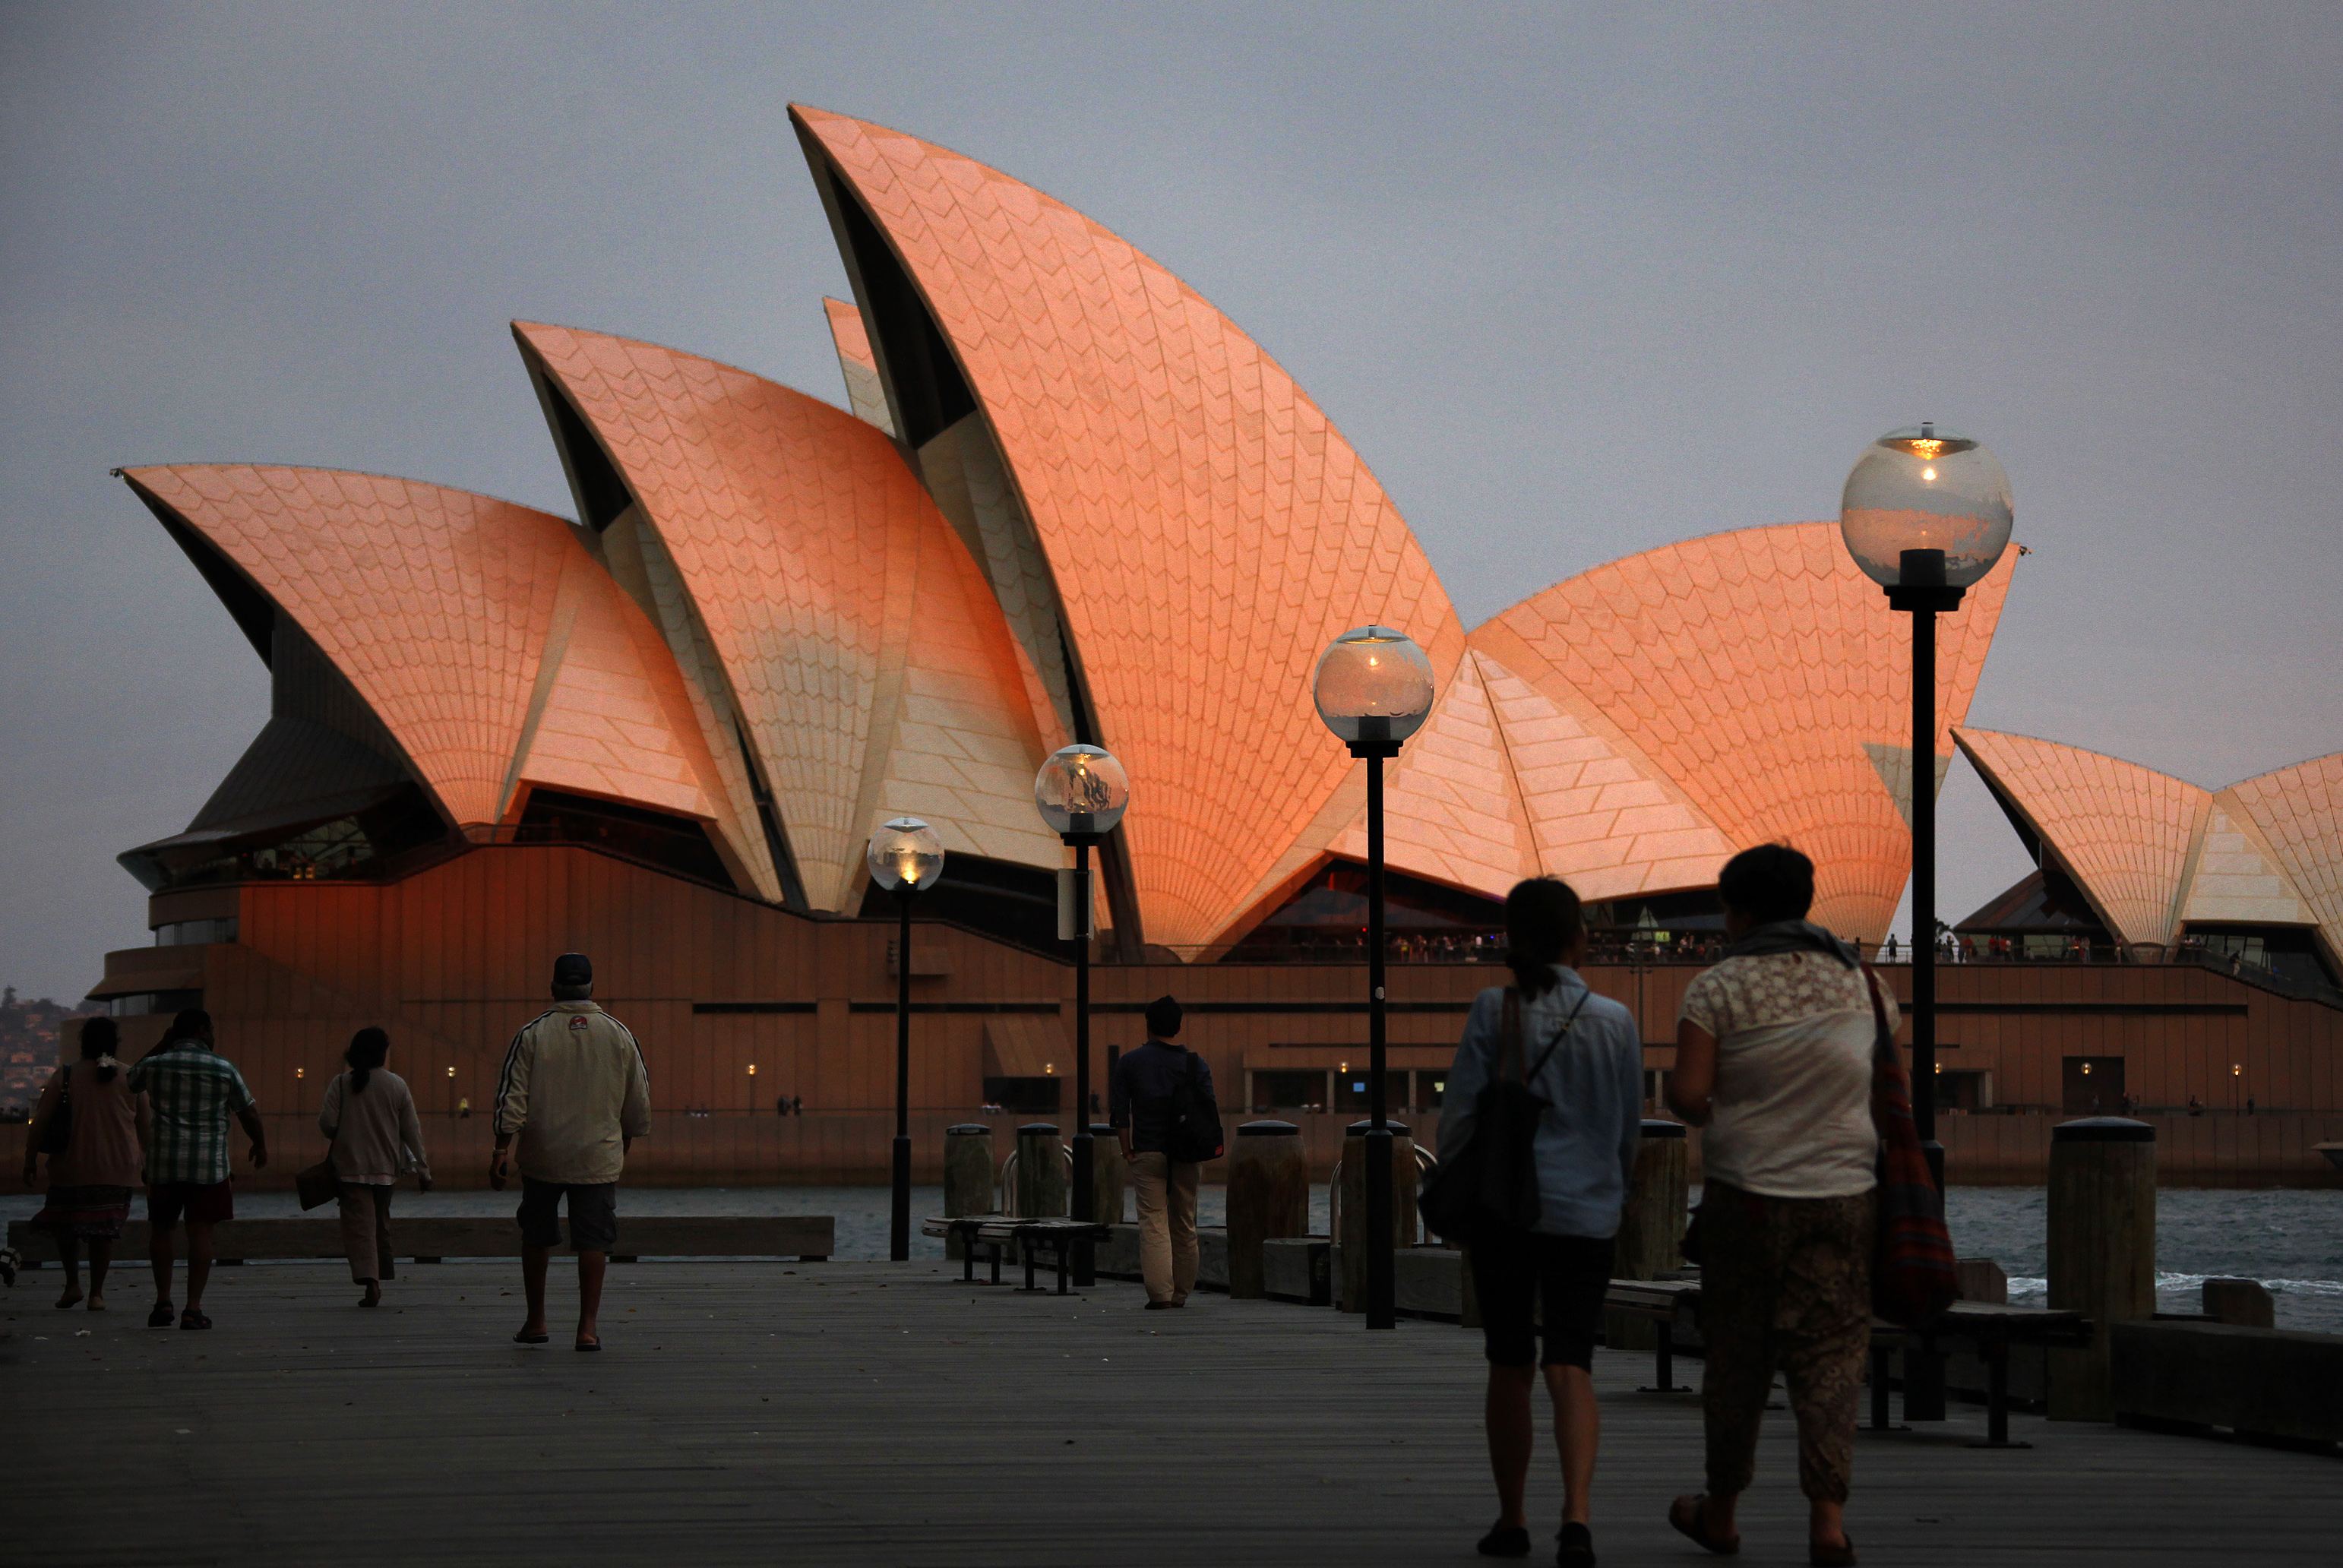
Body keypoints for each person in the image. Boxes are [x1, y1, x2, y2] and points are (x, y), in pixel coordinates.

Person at [1665, 844, 1892, 1568]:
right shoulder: (1865, 984)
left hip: (1749, 1200)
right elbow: (1883, 1084)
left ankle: (1722, 1514)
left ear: (1739, 911)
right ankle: (1827, 1524)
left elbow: (1692, 1098)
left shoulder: (1717, 989)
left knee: (1739, 1359)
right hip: (1845, 1196)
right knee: (1831, 1362)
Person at [1439, 878, 1643, 1564]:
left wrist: (1453, 1185)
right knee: (1571, 1364)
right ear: (1579, 937)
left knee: (1509, 1363)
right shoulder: (1615, 1019)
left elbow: (1462, 1115)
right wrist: (1617, 1189)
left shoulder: (1494, 1011)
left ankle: (1512, 1518)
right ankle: (1578, 1517)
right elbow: (1626, 1128)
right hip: (1587, 1211)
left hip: (1505, 1213)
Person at [492, 953, 650, 1351]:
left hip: (543, 1154)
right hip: (598, 1154)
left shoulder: (532, 1034)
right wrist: (627, 1138)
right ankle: (587, 1329)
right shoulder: (619, 1034)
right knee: (594, 1241)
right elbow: (638, 1097)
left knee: (537, 1237)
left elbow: (513, 1094)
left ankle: (536, 1321)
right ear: (592, 988)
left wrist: (501, 1148)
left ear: (553, 988)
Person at [128, 1008, 267, 1330]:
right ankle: (193, 1308)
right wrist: (260, 1145)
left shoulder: (156, 1064)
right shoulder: (223, 1068)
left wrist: (162, 1045)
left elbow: (131, 1079)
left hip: (164, 1164)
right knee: (201, 1234)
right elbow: (249, 1113)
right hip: (208, 1167)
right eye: (212, 1029)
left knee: (161, 1231)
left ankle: (163, 1302)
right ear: (203, 1030)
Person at [21, 1016, 144, 1312]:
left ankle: (72, 1284)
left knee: (67, 1227)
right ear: (114, 1044)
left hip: (70, 1167)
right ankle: (97, 1294)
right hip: (118, 1169)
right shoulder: (131, 1076)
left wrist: (29, 1160)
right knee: (103, 1234)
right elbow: (146, 1126)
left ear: (83, 1043)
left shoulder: (65, 1076)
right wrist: (148, 1163)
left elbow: (40, 1124)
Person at [316, 1026, 432, 1308]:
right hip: (386, 1169)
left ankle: (371, 1283)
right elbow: (412, 1131)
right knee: (380, 1225)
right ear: (382, 1053)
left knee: (360, 1228)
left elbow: (327, 1123)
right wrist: (424, 1170)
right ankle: (382, 1273)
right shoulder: (397, 1085)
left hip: (350, 1168)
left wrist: (346, 1134)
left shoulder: (341, 1084)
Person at [1109, 994, 1211, 1310]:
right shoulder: (1196, 1064)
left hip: (1148, 1150)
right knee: (1184, 1221)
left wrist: (1127, 1150)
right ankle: (1182, 1292)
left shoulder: (1130, 1062)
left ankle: (1160, 1295)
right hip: (1188, 1152)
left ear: (1149, 1025)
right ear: (1179, 1026)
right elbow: (1209, 1111)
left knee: (1153, 1222)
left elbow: (1119, 1112)